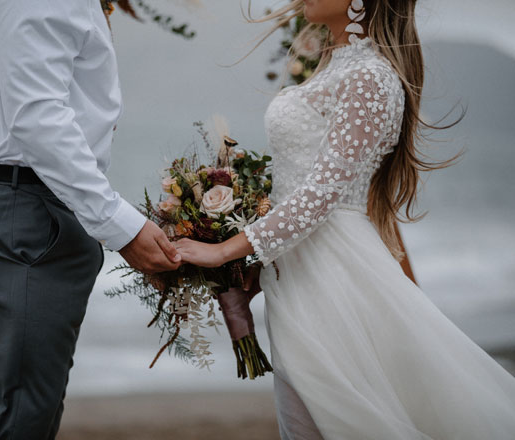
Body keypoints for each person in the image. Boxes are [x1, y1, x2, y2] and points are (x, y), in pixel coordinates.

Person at [174, 0, 515, 438]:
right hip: (298, 272)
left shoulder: (370, 76)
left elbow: (320, 195)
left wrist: (225, 248)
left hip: (333, 275)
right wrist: (258, 261)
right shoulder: (337, 68)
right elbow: (300, 187)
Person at [0, 0, 181, 438]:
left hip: (23, 208)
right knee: (16, 418)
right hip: (26, 215)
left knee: (17, 412)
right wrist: (121, 228)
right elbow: (36, 115)